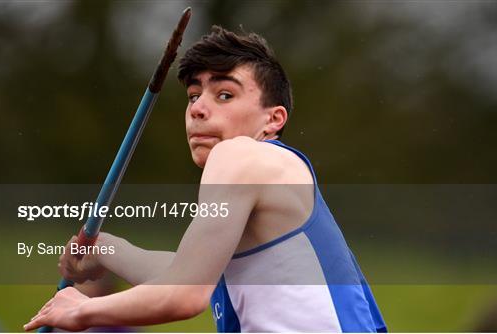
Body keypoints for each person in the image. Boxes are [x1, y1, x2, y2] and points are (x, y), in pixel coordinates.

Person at [24, 26, 386, 333]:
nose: (197, 108)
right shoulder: (270, 175)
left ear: (273, 119)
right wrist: (107, 250)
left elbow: (184, 293)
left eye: (224, 95)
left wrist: (79, 309)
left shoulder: (239, 155)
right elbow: (195, 273)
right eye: (194, 95)